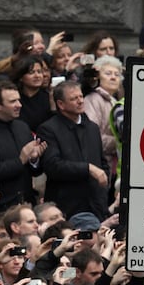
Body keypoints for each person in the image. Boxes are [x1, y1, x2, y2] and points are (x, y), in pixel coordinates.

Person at [38, 81, 110, 221]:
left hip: (95, 205)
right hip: (66, 206)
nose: (80, 101)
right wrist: (88, 168)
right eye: (73, 98)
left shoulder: (92, 128)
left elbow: (102, 162)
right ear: (61, 104)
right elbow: (53, 166)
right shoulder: (48, 129)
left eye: (81, 96)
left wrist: (103, 188)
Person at [0, 80, 46, 213]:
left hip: (27, 205)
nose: (19, 105)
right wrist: (20, 161)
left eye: (19, 100)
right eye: (13, 102)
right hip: (1, 209)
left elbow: (34, 171)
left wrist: (34, 160)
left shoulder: (22, 127)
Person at [84, 56, 122, 175]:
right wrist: (119, 142)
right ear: (98, 76)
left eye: (117, 74)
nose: (113, 77)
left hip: (113, 166)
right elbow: (92, 136)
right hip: (98, 165)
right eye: (108, 73)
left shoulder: (116, 101)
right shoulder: (92, 100)